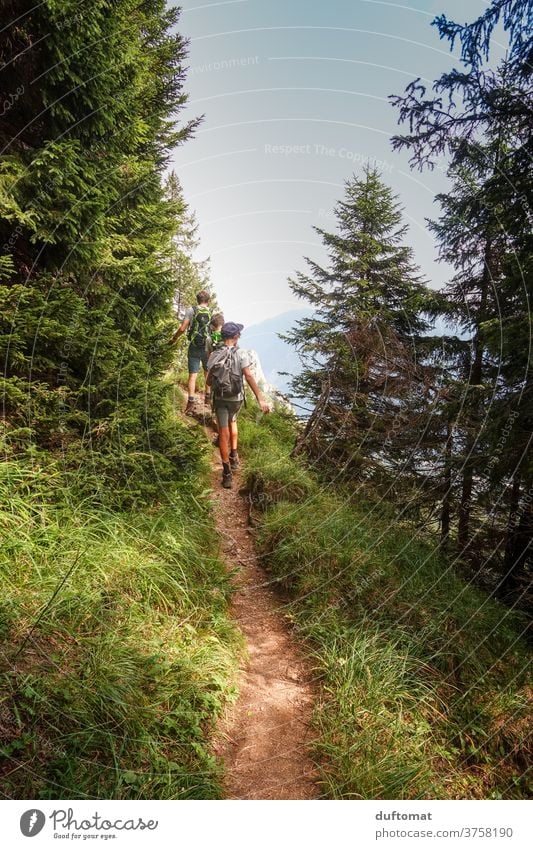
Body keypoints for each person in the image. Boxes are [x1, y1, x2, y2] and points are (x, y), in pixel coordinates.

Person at [206, 322, 270, 488]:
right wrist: (260, 398)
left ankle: (226, 473)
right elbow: (248, 376)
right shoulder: (242, 354)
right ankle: (234, 455)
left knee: (223, 432)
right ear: (235, 337)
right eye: (238, 334)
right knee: (233, 421)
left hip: (220, 398)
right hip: (236, 398)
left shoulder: (215, 354)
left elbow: (208, 380)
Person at [170, 290, 211, 414]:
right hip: (207, 346)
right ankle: (208, 400)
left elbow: (183, 328)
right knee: (207, 372)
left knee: (193, 375)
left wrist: (174, 338)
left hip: (194, 345)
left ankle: (190, 403)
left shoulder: (191, 310)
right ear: (208, 301)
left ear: (197, 300)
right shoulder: (212, 312)